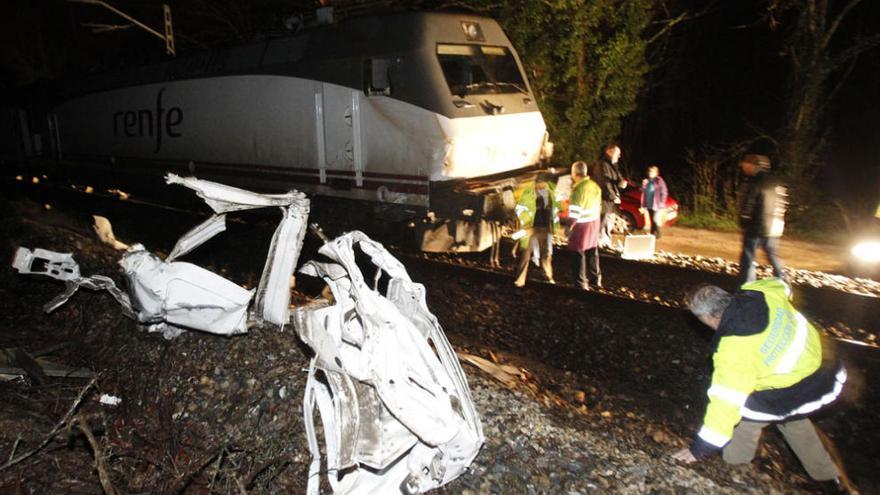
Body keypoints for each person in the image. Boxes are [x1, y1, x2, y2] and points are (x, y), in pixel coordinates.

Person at [672, 280, 849, 489]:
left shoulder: (733, 351)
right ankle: (829, 479)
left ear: (709, 317)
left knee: (747, 416)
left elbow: (726, 403)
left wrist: (700, 448)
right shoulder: (759, 292)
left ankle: (735, 472)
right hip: (827, 366)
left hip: (799, 389)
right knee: (794, 421)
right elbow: (784, 285)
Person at [738, 154, 788, 285]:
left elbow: (748, 204)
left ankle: (747, 285)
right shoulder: (778, 183)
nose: (743, 167)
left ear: (753, 165)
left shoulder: (754, 182)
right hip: (775, 226)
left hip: (757, 226)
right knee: (772, 254)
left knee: (748, 258)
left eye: (745, 164)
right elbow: (783, 205)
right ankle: (783, 281)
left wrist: (744, 221)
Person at [514, 173, 559, 287]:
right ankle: (520, 280)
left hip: (544, 228)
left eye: (543, 184)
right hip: (531, 228)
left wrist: (554, 228)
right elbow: (519, 209)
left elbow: (555, 211)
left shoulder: (550, 193)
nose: (541, 186)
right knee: (525, 254)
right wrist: (527, 222)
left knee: (546, 254)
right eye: (539, 184)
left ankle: (548, 278)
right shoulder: (528, 193)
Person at [567, 161, 602, 290]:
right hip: (594, 223)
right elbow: (599, 206)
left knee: (578, 252)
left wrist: (568, 226)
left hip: (582, 226)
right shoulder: (594, 186)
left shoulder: (578, 189)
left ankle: (581, 283)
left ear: (574, 173)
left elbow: (575, 212)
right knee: (593, 250)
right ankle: (596, 279)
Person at [596, 143, 628, 248]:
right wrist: (613, 196)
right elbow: (604, 182)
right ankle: (600, 242)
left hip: (611, 199)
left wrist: (621, 183)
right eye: (617, 153)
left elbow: (616, 180)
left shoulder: (613, 165)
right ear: (609, 151)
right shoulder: (603, 164)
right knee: (604, 220)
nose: (619, 156)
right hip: (605, 198)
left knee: (609, 221)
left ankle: (606, 241)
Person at [639, 165, 668, 238]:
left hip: (657, 204)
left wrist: (662, 202)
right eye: (649, 171)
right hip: (649, 203)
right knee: (652, 219)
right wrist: (643, 185)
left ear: (656, 173)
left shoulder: (659, 180)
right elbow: (641, 190)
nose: (650, 173)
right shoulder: (647, 181)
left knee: (655, 219)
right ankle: (652, 234)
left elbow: (664, 191)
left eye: (652, 172)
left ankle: (658, 234)